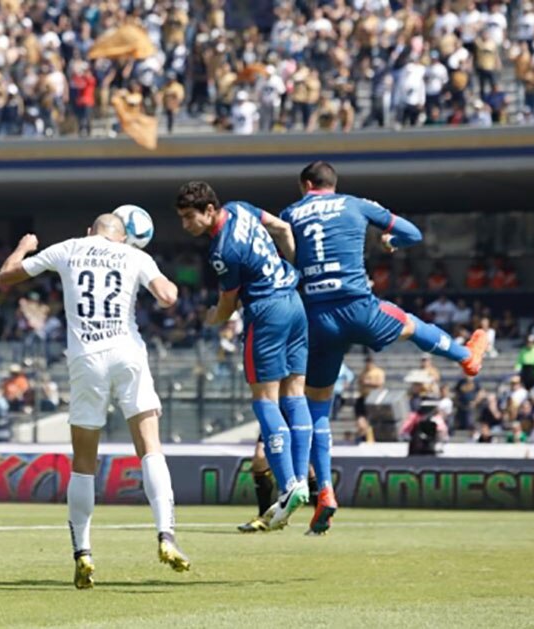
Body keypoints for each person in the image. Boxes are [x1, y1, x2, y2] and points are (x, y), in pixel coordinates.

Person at [278, 161, 488, 535]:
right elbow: (413, 234)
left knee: (319, 408)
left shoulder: (290, 213)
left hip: (315, 319)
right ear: (332, 184)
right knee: (408, 322)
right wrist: (391, 241)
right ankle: (466, 357)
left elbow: (289, 257)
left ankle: (324, 490)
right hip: (356, 306)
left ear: (305, 185)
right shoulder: (356, 204)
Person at [0, 213, 189, 590]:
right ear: (124, 237)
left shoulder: (70, 248)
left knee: (84, 462)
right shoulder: (134, 256)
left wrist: (24, 246)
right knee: (150, 448)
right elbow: (168, 297)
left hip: (86, 359)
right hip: (127, 353)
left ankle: (83, 552)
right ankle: (166, 534)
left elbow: (6, 277)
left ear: (90, 232)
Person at [175, 181, 312, 532]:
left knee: (265, 400)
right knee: (295, 393)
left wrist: (210, 319)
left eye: (189, 217)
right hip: (295, 303)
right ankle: (300, 481)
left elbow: (226, 304)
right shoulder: (241, 207)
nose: (185, 225)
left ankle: (289, 484)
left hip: (266, 312)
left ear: (209, 210)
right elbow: (282, 228)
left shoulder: (223, 251)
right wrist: (290, 265)